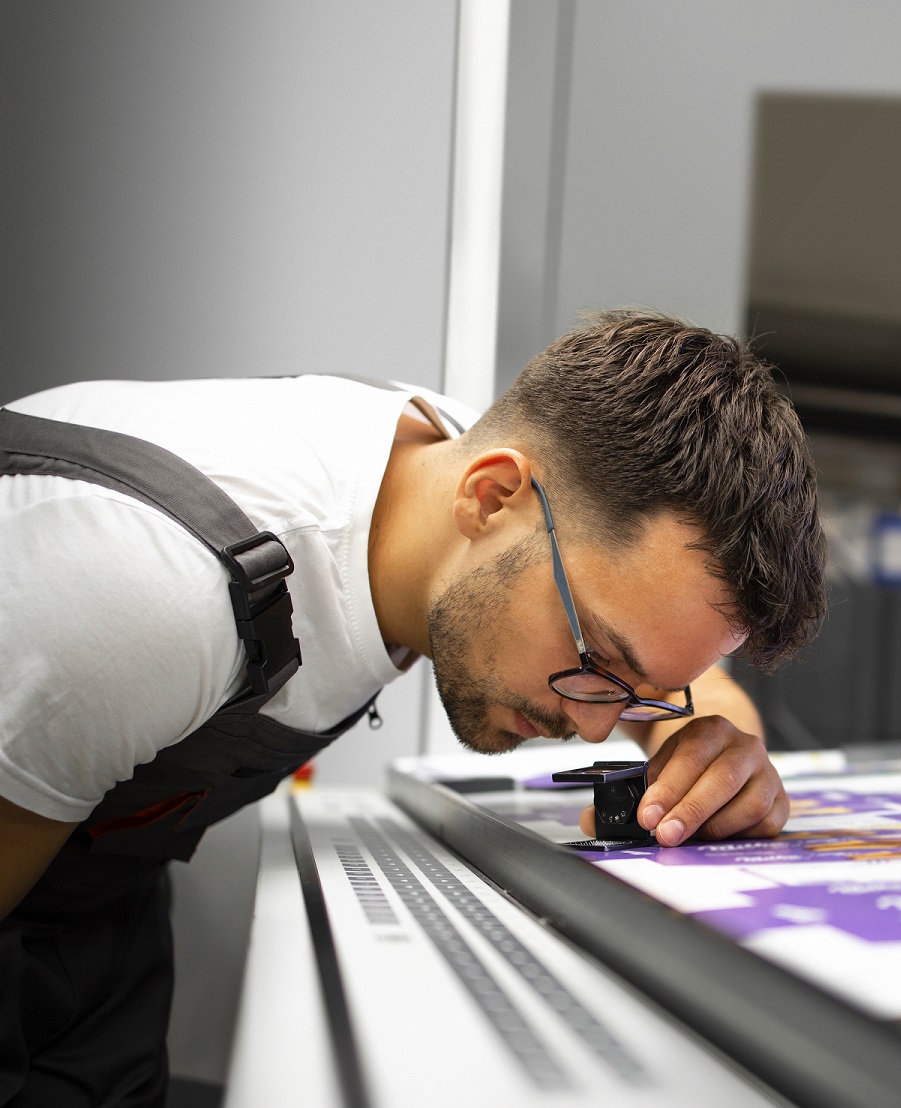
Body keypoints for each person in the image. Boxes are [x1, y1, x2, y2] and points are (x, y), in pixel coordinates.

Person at [0, 310, 827, 1106]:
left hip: (97, 891)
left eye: (640, 690)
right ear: (490, 497)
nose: (595, 725)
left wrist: (711, 746)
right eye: (597, 661)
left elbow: (687, 676)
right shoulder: (147, 592)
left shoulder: (491, 473)